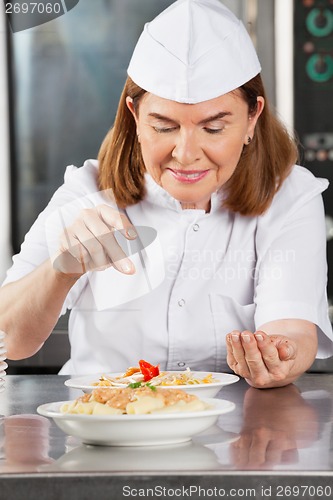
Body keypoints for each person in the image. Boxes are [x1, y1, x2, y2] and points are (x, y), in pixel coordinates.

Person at [1, 0, 332, 388]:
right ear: (135, 117)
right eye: (164, 126)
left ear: (252, 118)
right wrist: (60, 270)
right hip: (103, 428)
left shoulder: (290, 196)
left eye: (213, 128)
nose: (186, 153)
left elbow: (292, 329)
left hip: (237, 434)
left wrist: (277, 358)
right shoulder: (87, 191)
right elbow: (10, 339)